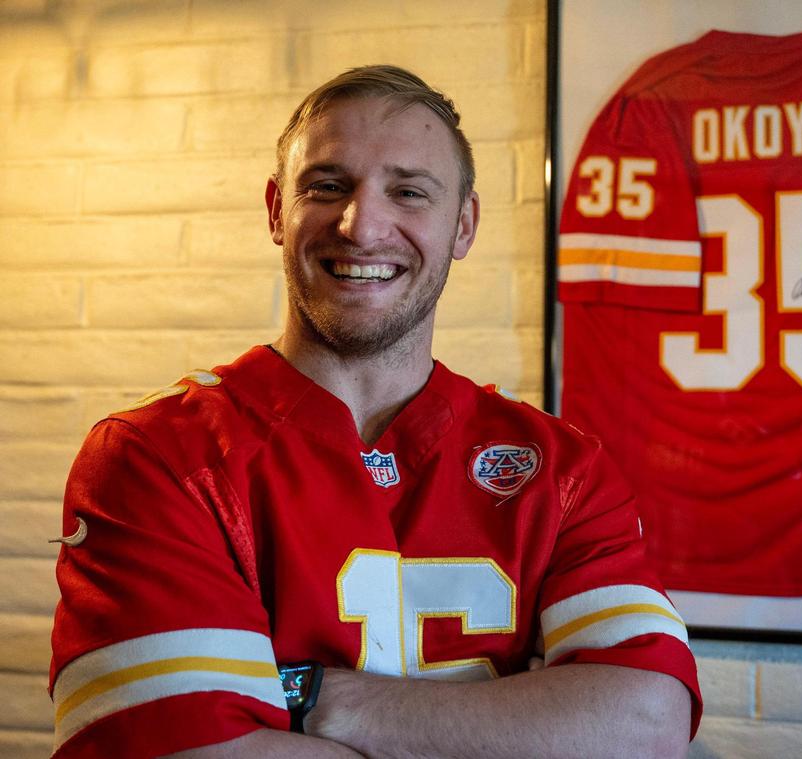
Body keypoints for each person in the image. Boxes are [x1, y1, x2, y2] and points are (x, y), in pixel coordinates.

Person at [48, 65, 702, 758]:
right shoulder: (157, 455)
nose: (361, 226)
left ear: (464, 224)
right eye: (327, 186)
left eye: (408, 192)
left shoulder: (564, 468)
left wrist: (314, 697)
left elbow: (645, 726)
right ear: (277, 210)